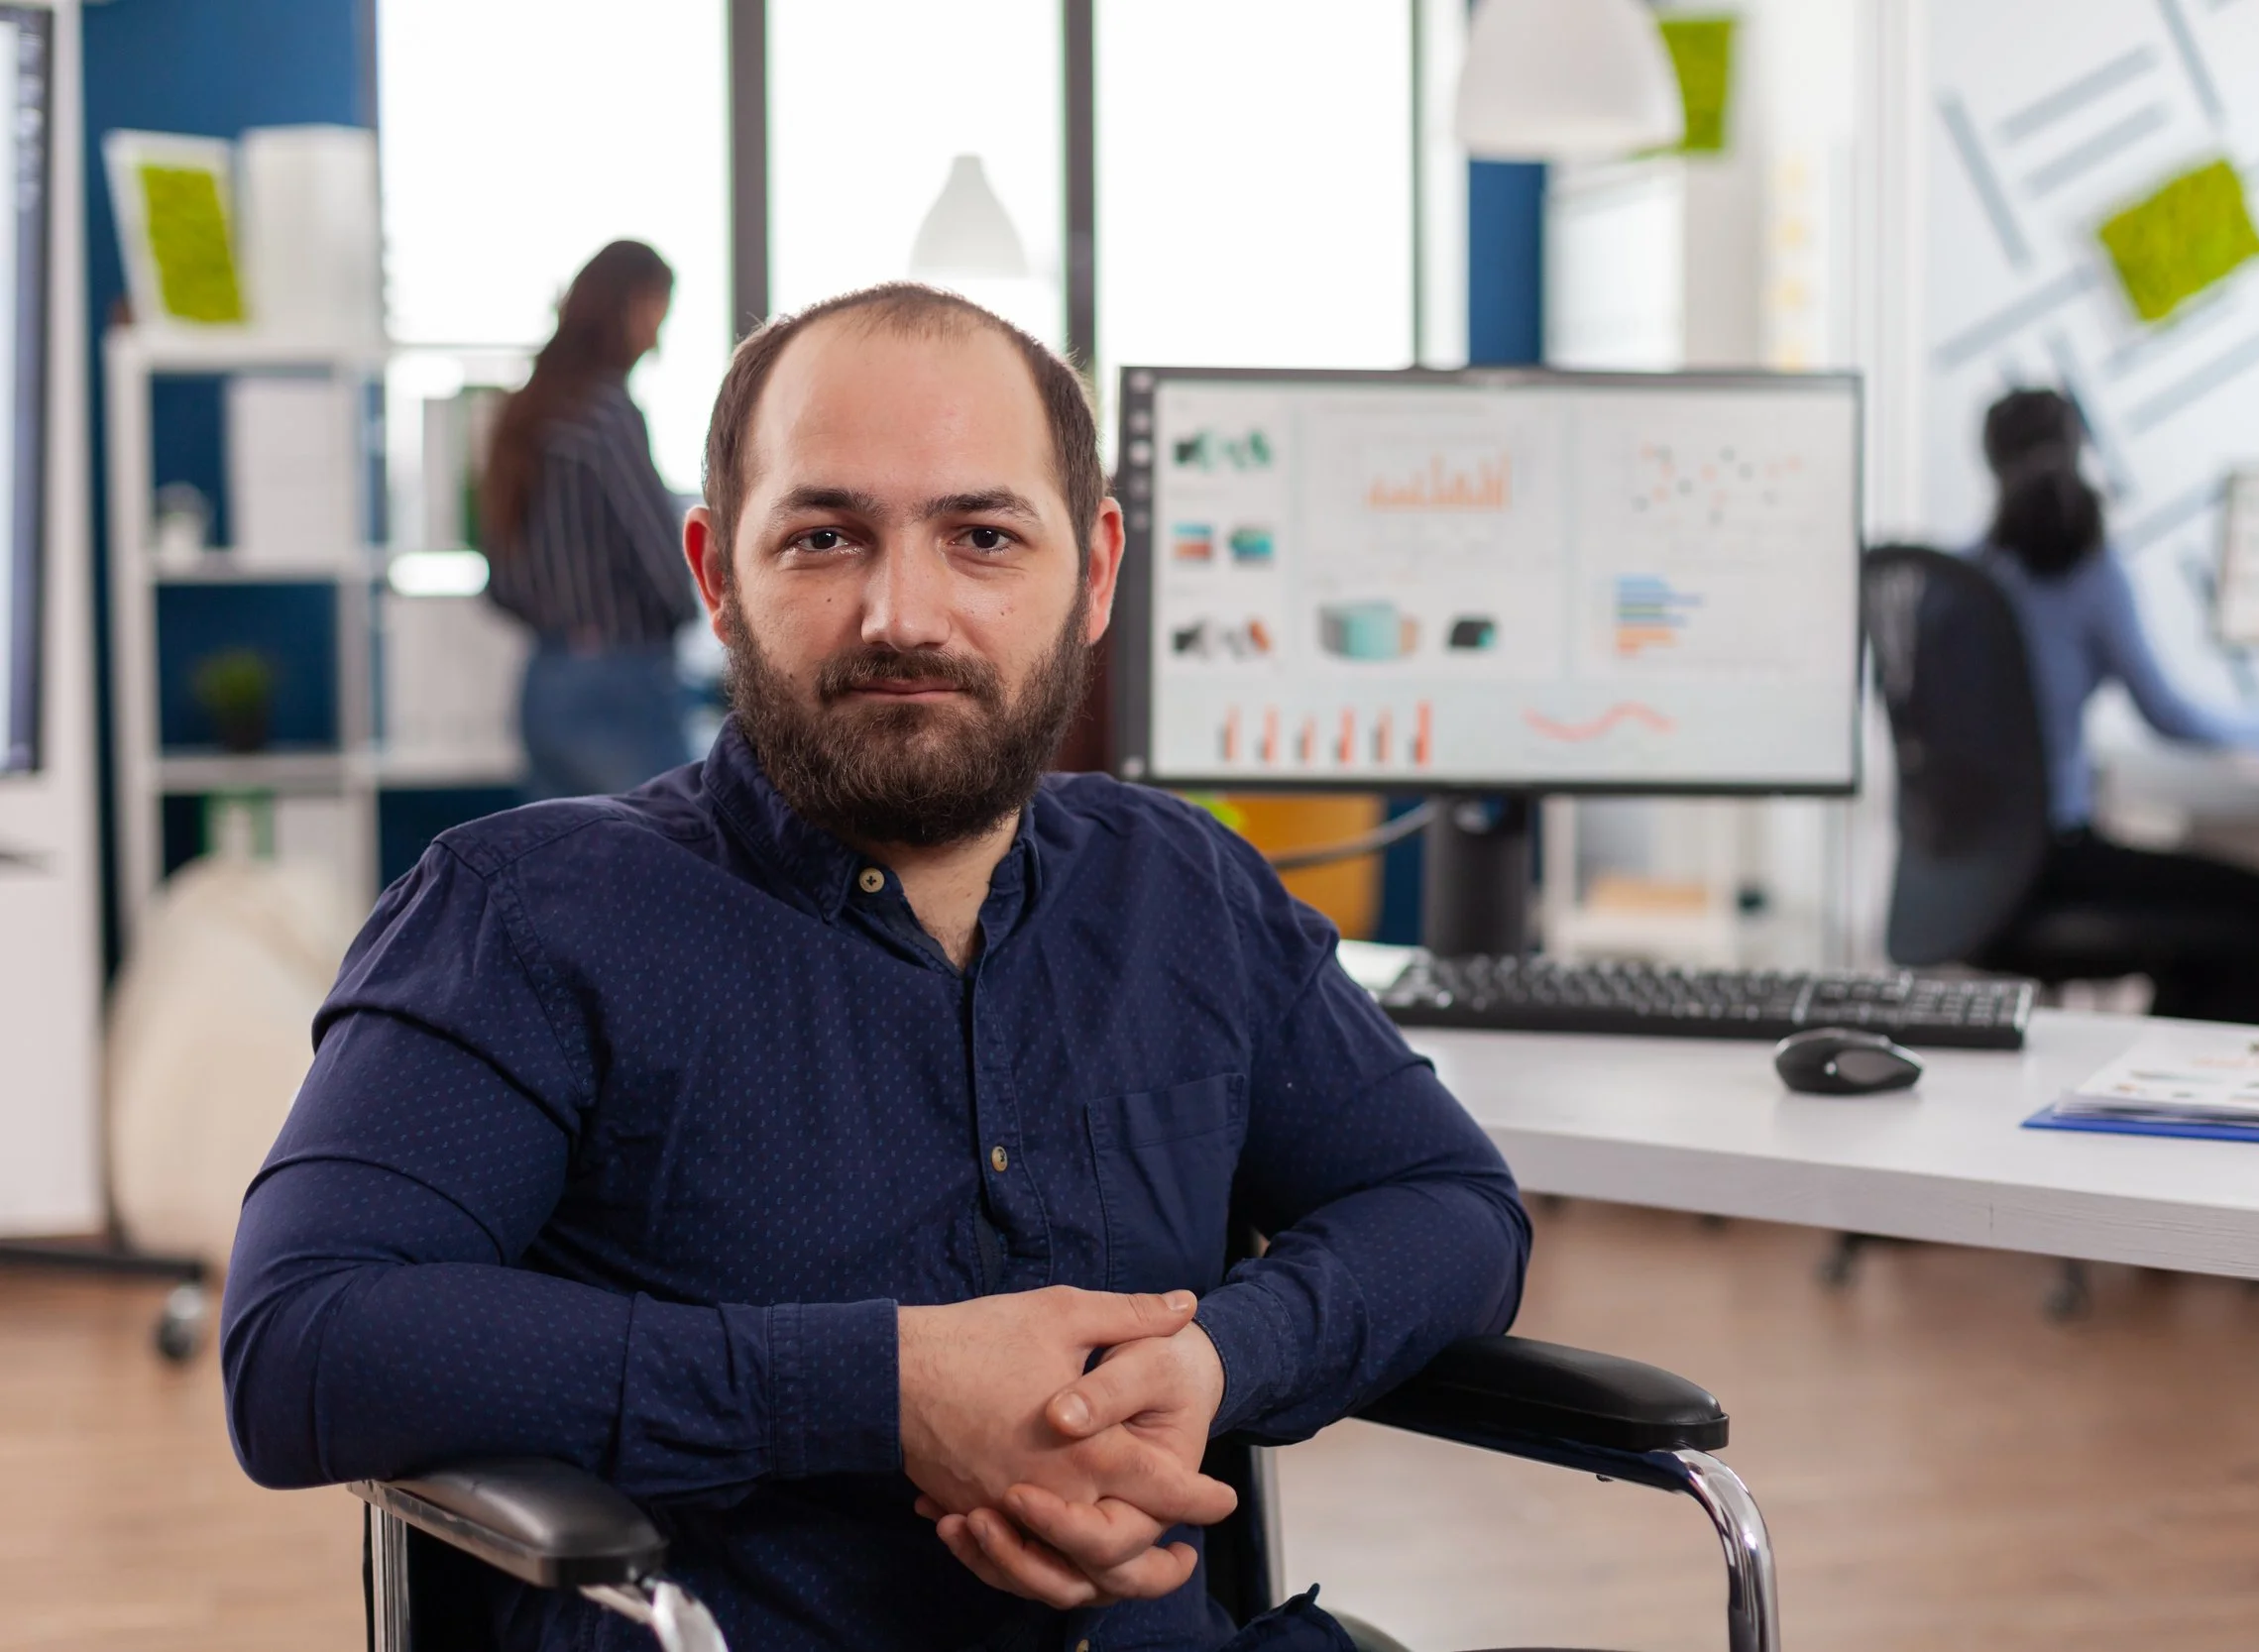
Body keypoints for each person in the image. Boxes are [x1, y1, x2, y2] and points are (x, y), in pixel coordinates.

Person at [220, 282, 1530, 1652]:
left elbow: (1448, 1200)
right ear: (718, 573)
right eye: (828, 535)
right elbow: (306, 1335)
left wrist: (1215, 1359)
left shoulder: (1183, 886)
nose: (903, 612)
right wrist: (879, 1384)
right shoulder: (523, 914)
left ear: (1093, 571)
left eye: (982, 535)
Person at [1968, 387, 2259, 1023]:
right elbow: (2169, 716)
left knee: (2211, 938)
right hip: (2056, 864)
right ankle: (2165, 1083)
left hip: (1966, 884)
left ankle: (2150, 1081)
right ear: (2081, 452)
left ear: (1990, 462)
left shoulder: (1957, 580)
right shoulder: (2091, 573)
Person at [480, 239, 701, 799]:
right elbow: (655, 551)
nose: (658, 334)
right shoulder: (606, 413)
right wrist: (689, 618)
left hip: (545, 679)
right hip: (619, 679)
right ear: (630, 306)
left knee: (567, 872)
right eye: (658, 312)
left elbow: (500, 577)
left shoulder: (526, 411)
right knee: (673, 863)